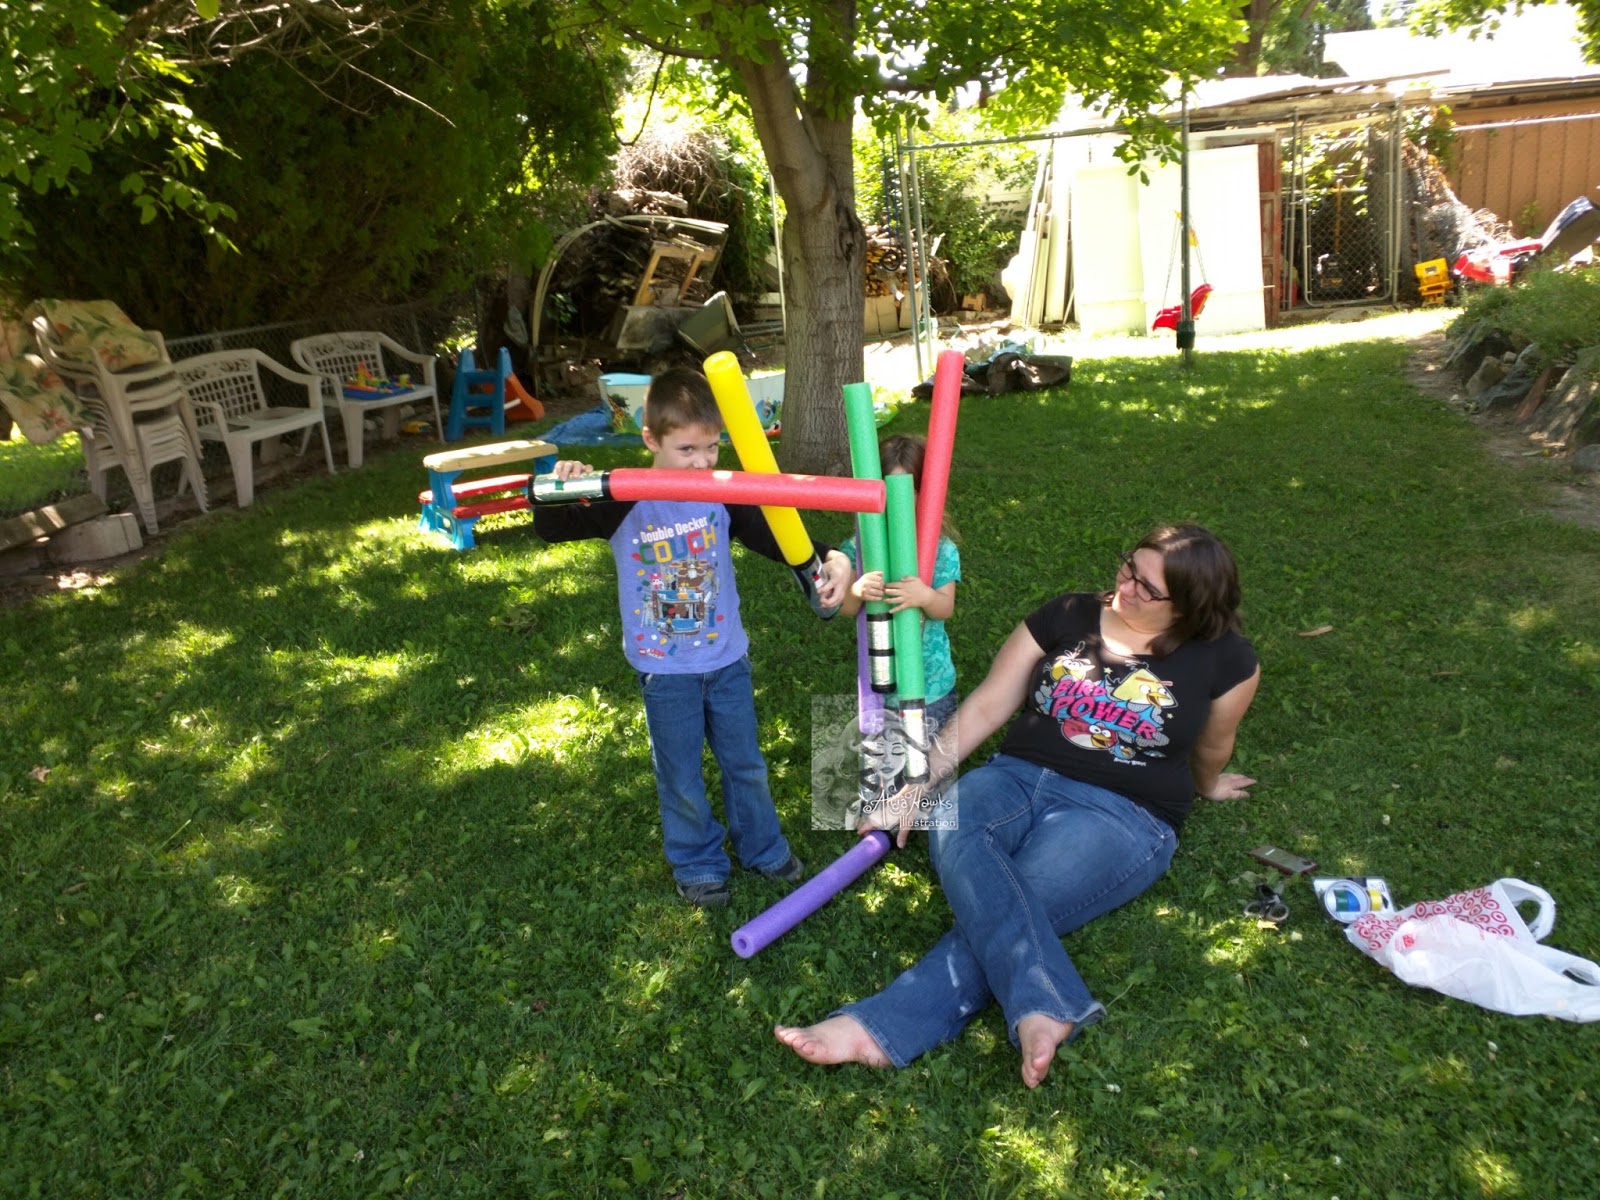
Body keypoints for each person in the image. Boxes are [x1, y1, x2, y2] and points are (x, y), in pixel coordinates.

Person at [775, 523, 1261, 1086]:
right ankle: (1045, 1002)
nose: (1126, 586)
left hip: (1123, 810)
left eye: (1148, 588)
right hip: (1016, 775)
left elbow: (1214, 744)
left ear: (1189, 607)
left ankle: (879, 1028)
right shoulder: (1070, 613)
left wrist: (1208, 784)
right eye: (1130, 566)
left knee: (1023, 891)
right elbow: (990, 701)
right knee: (958, 829)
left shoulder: (1226, 660)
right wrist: (918, 783)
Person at [534, 366, 852, 907]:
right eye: (686, 450)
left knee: (745, 763)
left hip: (727, 661)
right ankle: (698, 862)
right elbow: (551, 527)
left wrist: (831, 555)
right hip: (666, 671)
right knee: (680, 774)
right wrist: (563, 483)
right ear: (651, 441)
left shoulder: (721, 494)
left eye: (711, 447)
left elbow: (774, 535)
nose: (702, 462)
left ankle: (762, 847)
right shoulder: (623, 497)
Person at [838, 434, 963, 734]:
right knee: (885, 756)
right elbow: (846, 608)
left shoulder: (941, 550)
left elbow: (945, 607)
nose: (898, 502)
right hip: (879, 687)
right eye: (889, 491)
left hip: (931, 687)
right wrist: (856, 590)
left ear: (927, 494)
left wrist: (925, 596)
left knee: (930, 757)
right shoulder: (857, 549)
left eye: (909, 491)